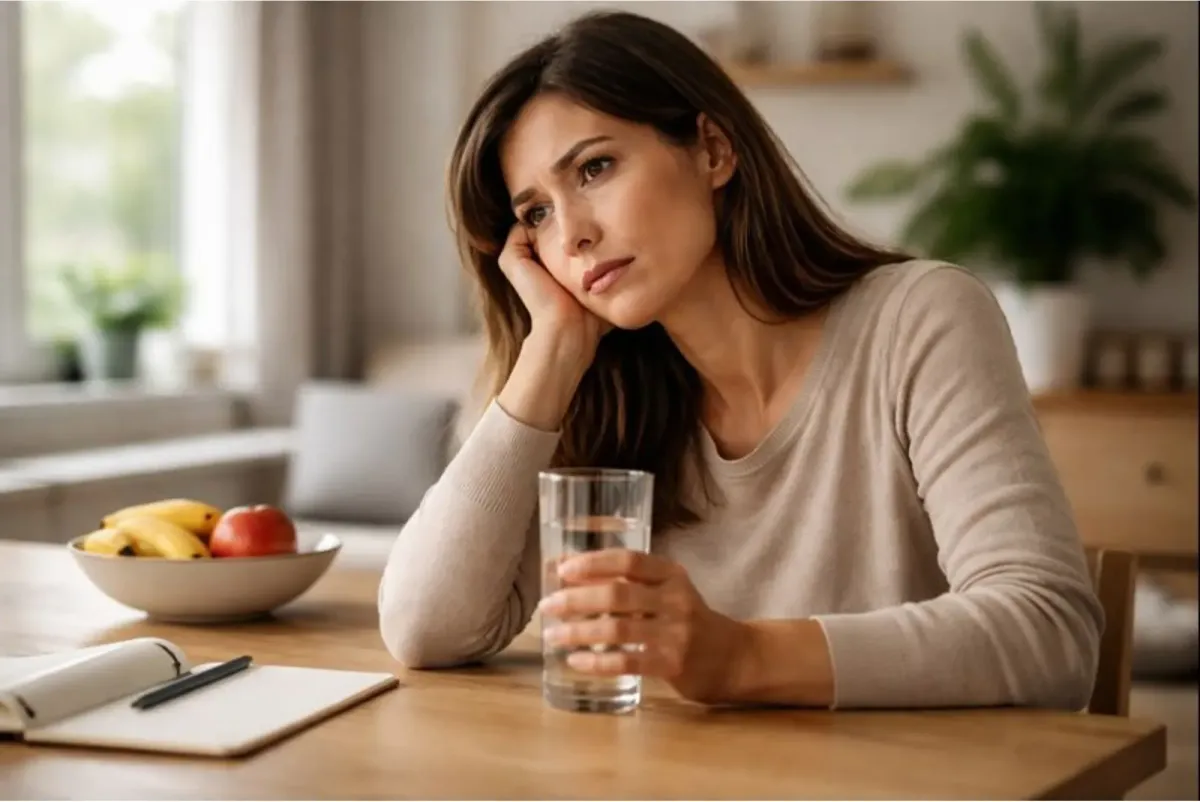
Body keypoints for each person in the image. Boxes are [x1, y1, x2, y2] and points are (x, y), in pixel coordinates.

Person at [377, 10, 1103, 710]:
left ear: (714, 150)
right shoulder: (608, 398)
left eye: (595, 168)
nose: (572, 236)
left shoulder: (919, 319)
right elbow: (424, 628)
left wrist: (739, 657)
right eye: (535, 212)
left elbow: (1049, 633)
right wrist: (553, 350)